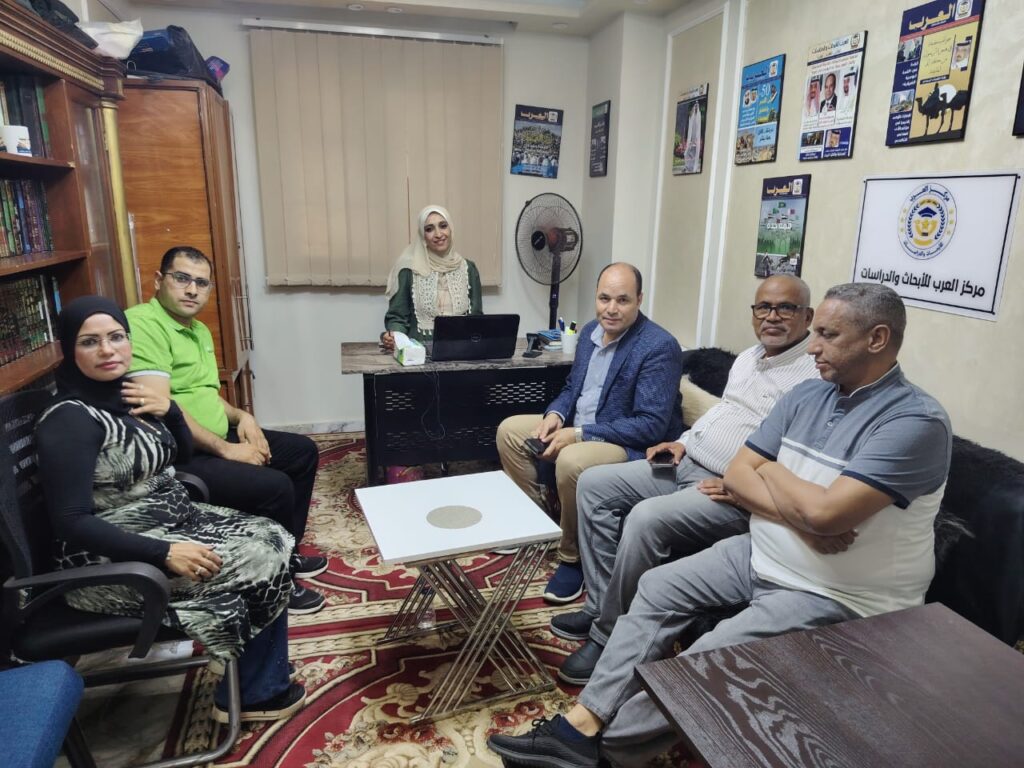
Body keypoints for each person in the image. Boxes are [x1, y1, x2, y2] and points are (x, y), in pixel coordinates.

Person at [487, 283, 951, 767]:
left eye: (828, 335)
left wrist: (772, 476)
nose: (813, 347)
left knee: (704, 657)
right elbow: (741, 474)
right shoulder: (808, 394)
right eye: (815, 334)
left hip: (834, 590)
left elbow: (822, 513)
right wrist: (785, 489)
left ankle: (607, 750)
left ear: (877, 339)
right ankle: (585, 720)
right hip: (763, 551)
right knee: (658, 586)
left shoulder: (913, 423)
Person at [35, 296, 306, 723]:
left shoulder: (126, 395)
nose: (107, 350)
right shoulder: (69, 420)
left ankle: (252, 668)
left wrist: (173, 413)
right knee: (261, 556)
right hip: (113, 561)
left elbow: (177, 456)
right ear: (70, 349)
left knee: (273, 534)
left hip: (170, 523)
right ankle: (257, 692)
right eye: (90, 342)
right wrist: (164, 553)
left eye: (116, 337)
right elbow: (71, 523)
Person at [552, 276, 818, 684]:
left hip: (728, 490)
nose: (772, 317)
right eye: (763, 308)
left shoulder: (814, 377)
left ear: (808, 317)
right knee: (593, 485)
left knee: (645, 518)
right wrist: (683, 441)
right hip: (687, 460)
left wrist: (745, 486)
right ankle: (600, 607)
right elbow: (724, 414)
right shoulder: (749, 358)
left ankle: (607, 637)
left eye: (785, 308)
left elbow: (798, 455)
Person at [126, 246, 326, 615]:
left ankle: (287, 552)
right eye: (182, 278)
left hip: (214, 439)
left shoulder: (199, 330)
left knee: (302, 452)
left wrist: (241, 417)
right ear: (158, 280)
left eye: (201, 283)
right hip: (181, 453)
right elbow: (161, 406)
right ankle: (276, 583)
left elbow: (206, 395)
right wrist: (227, 449)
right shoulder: (143, 324)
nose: (192, 290)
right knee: (275, 486)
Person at [496, 263, 684, 603]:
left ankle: (574, 558)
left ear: (640, 299)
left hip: (629, 443)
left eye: (623, 300)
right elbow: (573, 388)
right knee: (509, 431)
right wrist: (555, 415)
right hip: (581, 426)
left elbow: (650, 425)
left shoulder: (659, 346)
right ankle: (537, 525)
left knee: (572, 460)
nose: (611, 309)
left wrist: (579, 433)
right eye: (604, 298)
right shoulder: (588, 334)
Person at [381, 204, 482, 349]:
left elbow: (476, 317)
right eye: (429, 229)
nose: (438, 234)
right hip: (419, 351)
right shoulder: (409, 270)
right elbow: (398, 317)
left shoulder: (468, 269)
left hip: (461, 350)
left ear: (450, 229)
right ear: (423, 236)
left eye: (443, 226)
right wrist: (395, 336)